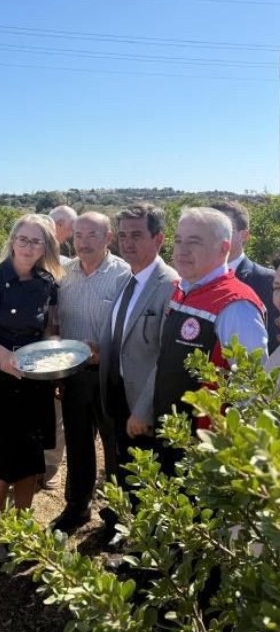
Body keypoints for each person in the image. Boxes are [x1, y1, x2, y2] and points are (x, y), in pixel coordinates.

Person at [0, 214, 64, 562]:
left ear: (46, 247)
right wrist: (4, 356)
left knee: (30, 461)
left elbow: (50, 331)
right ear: (12, 240)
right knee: (2, 463)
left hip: (33, 383)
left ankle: (21, 529)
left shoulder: (47, 283)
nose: (28, 246)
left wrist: (54, 362)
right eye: (23, 239)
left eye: (36, 241)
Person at [152, 208, 266, 473]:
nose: (181, 250)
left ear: (223, 248)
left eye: (194, 242)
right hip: (173, 435)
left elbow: (251, 389)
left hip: (206, 451)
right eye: (178, 240)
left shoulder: (236, 305)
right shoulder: (182, 290)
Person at [97, 204, 178, 549]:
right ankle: (124, 528)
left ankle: (144, 549)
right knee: (122, 467)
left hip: (142, 404)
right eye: (124, 235)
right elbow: (121, 336)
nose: (128, 243)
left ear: (158, 238)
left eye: (137, 235)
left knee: (146, 476)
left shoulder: (169, 284)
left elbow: (166, 357)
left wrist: (143, 409)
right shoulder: (127, 278)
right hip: (116, 394)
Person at [51, 212, 130, 536]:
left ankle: (116, 517)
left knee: (115, 448)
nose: (83, 241)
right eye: (78, 235)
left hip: (110, 375)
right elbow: (55, 320)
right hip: (74, 374)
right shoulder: (64, 273)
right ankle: (77, 506)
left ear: (108, 238)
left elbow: (131, 327)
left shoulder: (124, 275)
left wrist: (105, 348)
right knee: (78, 441)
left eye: (92, 235)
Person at [210, 201, 280, 353]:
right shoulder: (190, 281)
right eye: (207, 230)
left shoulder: (268, 281)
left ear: (245, 235)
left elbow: (273, 343)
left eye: (223, 229)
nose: (213, 236)